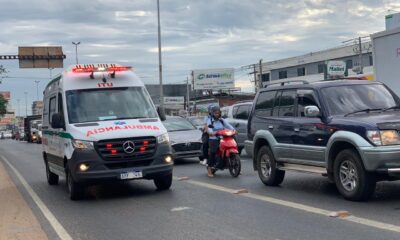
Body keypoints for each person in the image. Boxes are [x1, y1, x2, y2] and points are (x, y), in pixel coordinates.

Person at [206, 105, 235, 177]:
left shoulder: (222, 120)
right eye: (215, 113)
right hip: (213, 139)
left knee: (232, 145)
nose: (217, 114)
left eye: (218, 113)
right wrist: (212, 132)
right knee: (213, 152)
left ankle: (234, 166)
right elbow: (209, 128)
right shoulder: (210, 120)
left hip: (223, 138)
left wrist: (234, 130)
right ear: (212, 113)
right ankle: (209, 169)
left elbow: (228, 126)